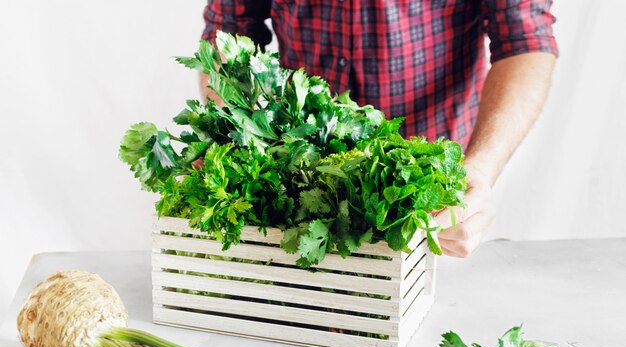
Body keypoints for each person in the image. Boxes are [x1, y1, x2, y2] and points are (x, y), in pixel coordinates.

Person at [199, 1, 558, 258]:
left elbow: (524, 40)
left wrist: (479, 168)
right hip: (303, 182)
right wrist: (232, 132)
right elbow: (229, 29)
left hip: (427, 198)